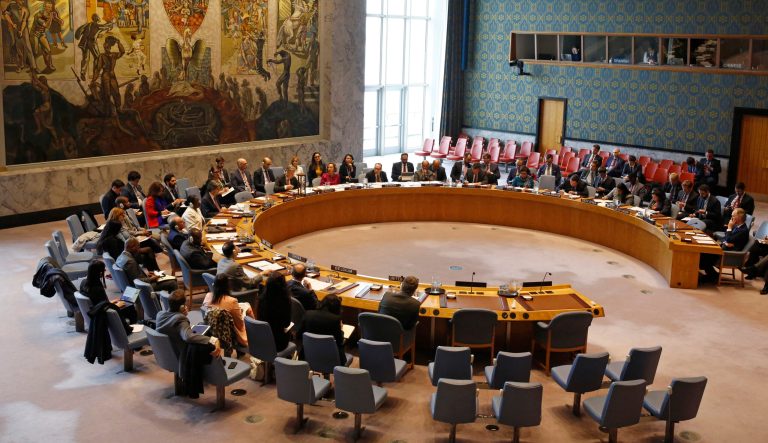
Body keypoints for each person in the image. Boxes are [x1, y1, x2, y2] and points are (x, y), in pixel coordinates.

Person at [156, 289, 222, 358]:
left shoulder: (159, 314)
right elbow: (188, 337)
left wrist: (180, 313)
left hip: (166, 354)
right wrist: (213, 340)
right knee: (208, 339)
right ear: (182, 307)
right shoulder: (180, 319)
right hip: (183, 355)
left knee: (201, 325)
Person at [79, 260, 137, 326]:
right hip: (106, 314)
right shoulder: (97, 288)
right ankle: (133, 326)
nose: (105, 270)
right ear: (100, 273)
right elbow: (105, 307)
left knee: (129, 295)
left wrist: (112, 302)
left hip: (98, 311)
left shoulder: (83, 282)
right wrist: (117, 305)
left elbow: (100, 302)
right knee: (130, 305)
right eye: (103, 269)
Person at [202, 274, 255, 347]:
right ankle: (255, 332)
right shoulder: (232, 301)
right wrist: (241, 313)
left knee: (245, 305)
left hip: (212, 328)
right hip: (229, 331)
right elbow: (239, 324)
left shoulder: (208, 296)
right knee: (248, 307)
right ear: (227, 286)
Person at [699, 208, 749, 283]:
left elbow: (728, 238)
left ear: (739, 217)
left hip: (731, 254)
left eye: (733, 216)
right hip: (726, 248)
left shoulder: (743, 230)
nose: (731, 218)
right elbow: (726, 237)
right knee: (704, 251)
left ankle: (713, 276)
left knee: (705, 255)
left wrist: (729, 228)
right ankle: (712, 275)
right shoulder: (737, 226)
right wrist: (726, 241)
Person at [298, 293, 346, 363]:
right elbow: (339, 341)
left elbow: (299, 334)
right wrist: (341, 329)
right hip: (331, 359)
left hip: (309, 356)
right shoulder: (335, 320)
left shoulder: (308, 314)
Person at [258, 271, 292, 351]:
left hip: (261, 338)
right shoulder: (285, 301)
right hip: (278, 343)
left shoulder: (261, 298)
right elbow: (286, 324)